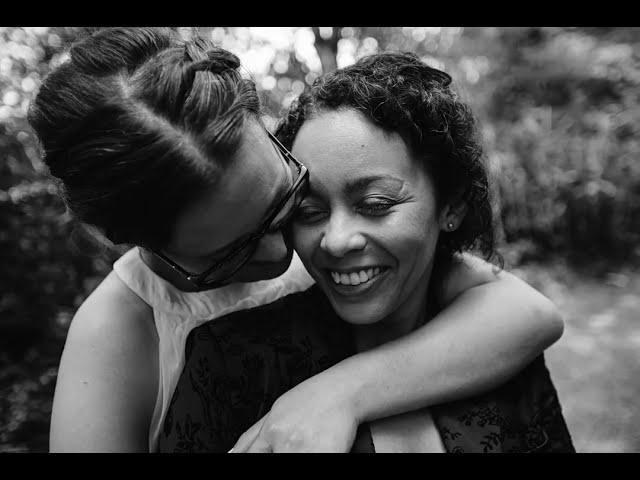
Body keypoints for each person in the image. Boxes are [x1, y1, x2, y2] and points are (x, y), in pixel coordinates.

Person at [27, 27, 564, 453]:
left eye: (286, 204)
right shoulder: (115, 335)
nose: (283, 253)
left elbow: (525, 314)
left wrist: (338, 393)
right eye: (229, 254)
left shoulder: (337, 241)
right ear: (134, 242)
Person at [225, 52, 575, 452]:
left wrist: (340, 393)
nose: (336, 240)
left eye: (375, 204)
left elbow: (535, 314)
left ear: (452, 207)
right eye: (310, 211)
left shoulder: (508, 360)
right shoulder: (230, 363)